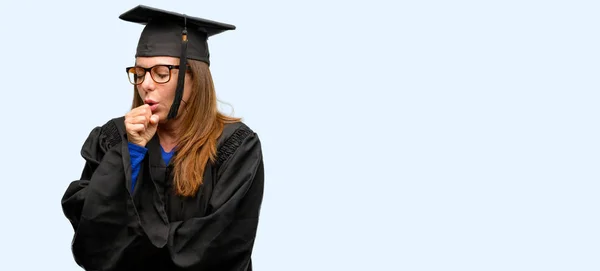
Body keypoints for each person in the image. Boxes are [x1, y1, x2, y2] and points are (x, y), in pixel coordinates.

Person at [60, 5, 264, 271]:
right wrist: (132, 152)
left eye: (161, 73)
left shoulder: (235, 146)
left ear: (194, 78)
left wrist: (132, 244)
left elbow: (222, 244)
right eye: (140, 73)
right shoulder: (113, 138)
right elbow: (92, 229)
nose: (146, 84)